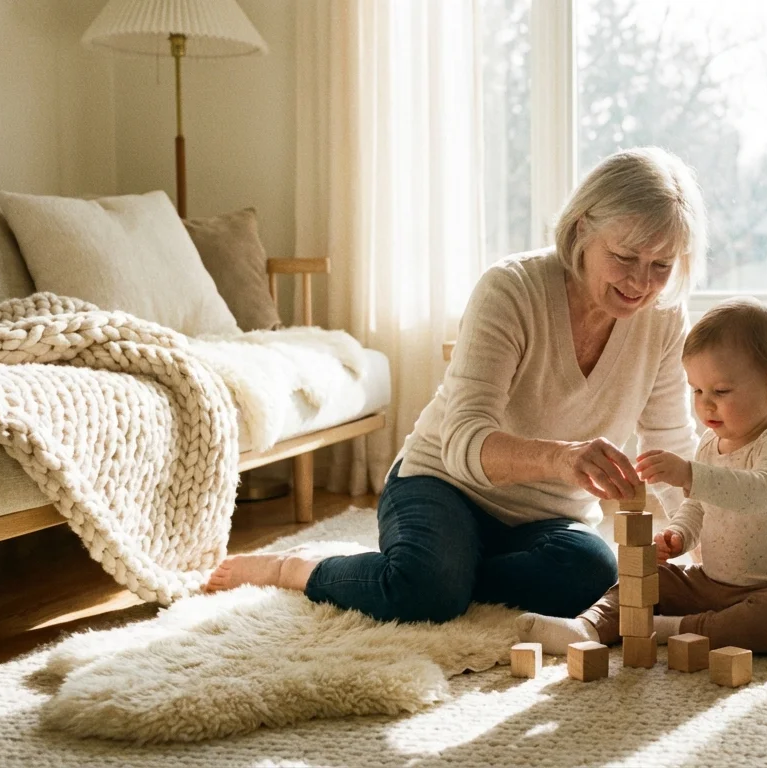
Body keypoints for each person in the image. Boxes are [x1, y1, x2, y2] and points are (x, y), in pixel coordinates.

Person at [204, 147, 706, 624]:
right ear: (581, 231)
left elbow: (668, 443)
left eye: (661, 266)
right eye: (625, 257)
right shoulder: (510, 289)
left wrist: (700, 539)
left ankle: (437, 570)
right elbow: (464, 441)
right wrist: (562, 458)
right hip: (442, 484)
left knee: (594, 574)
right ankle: (298, 568)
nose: (641, 282)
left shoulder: (663, 319)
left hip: (547, 519)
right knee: (426, 592)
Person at [516, 297, 767, 654]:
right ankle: (587, 627)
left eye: (721, 391)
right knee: (649, 580)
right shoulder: (712, 444)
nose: (705, 404)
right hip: (711, 583)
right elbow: (699, 506)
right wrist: (679, 535)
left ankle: (672, 628)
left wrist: (689, 474)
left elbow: (757, 494)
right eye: (697, 390)